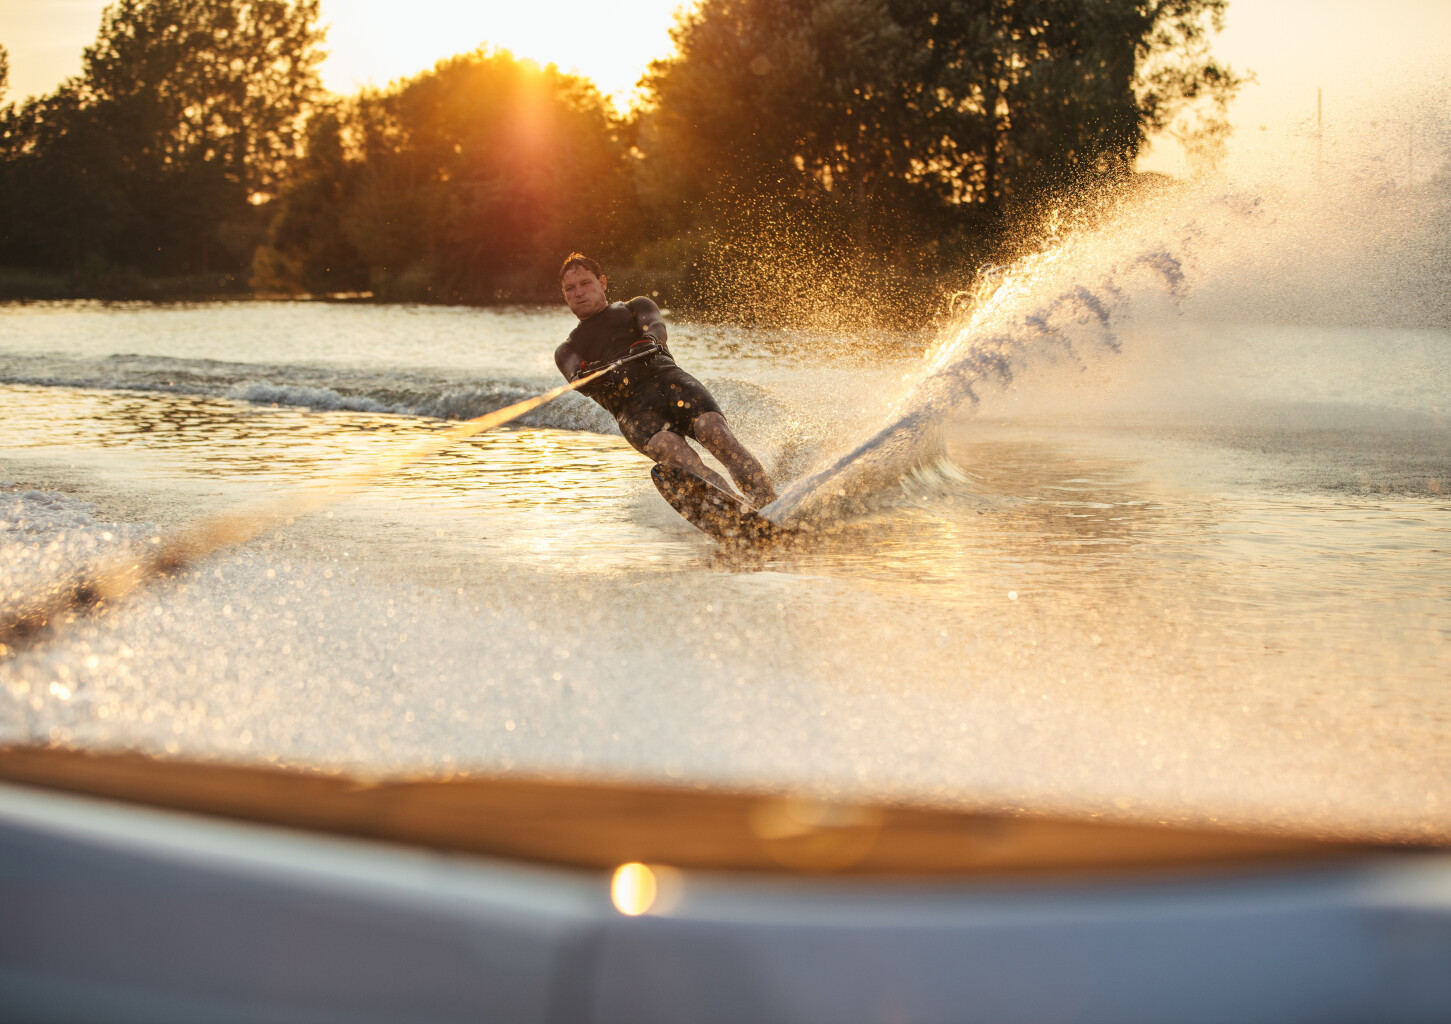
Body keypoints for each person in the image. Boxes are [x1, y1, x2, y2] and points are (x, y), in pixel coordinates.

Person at [554, 253, 778, 508]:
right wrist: (587, 374)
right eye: (570, 288)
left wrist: (648, 341)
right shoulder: (567, 349)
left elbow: (656, 327)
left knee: (712, 429)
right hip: (633, 411)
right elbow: (577, 377)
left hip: (670, 382)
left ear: (602, 282)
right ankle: (741, 512)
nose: (578, 292)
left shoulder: (635, 307)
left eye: (585, 283)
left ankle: (769, 502)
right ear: (564, 294)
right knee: (668, 447)